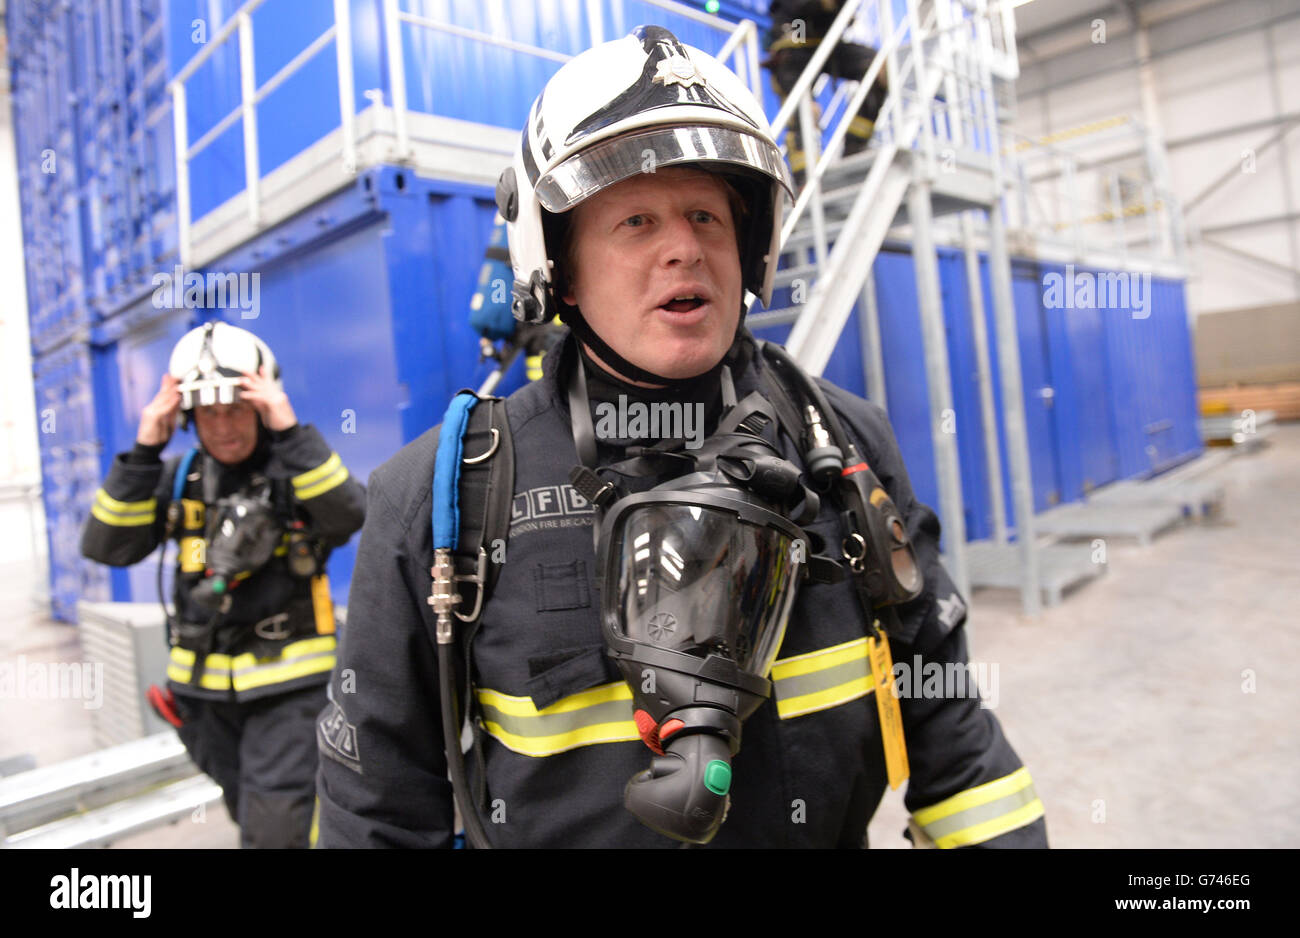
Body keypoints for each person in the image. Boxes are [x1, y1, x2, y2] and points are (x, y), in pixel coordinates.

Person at [314, 27, 1047, 848]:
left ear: (750, 246)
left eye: (706, 215)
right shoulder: (446, 495)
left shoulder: (843, 444)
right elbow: (374, 811)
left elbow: (950, 731)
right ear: (558, 266)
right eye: (634, 221)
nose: (685, 249)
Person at [81, 321, 365, 848]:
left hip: (288, 689)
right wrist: (144, 450)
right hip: (202, 695)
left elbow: (350, 514)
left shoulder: (296, 469)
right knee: (250, 809)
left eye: (236, 408)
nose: (224, 426)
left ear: (259, 406)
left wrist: (290, 431)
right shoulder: (177, 475)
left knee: (275, 828)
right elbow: (106, 548)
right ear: (187, 416)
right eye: (208, 413)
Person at [764, 0, 889, 185]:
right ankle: (804, 180)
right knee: (806, 112)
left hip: (825, 43)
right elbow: (796, 11)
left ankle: (855, 145)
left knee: (879, 69)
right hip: (792, 44)